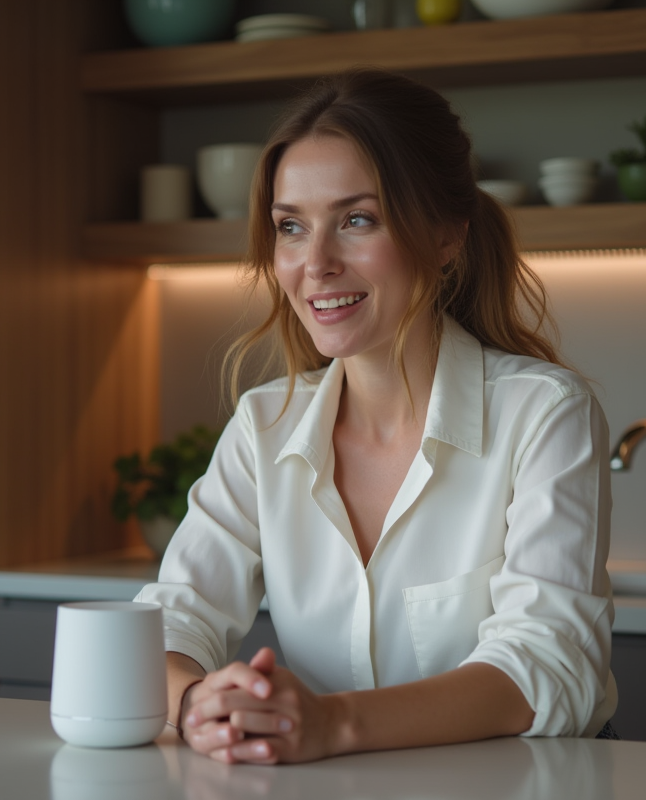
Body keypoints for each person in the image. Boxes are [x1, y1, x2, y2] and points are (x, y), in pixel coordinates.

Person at [135, 68, 615, 765]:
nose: (316, 263)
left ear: (447, 234)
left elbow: (545, 665)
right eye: (290, 227)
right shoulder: (264, 424)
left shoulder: (543, 413)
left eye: (357, 220)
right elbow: (170, 623)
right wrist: (196, 705)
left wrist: (334, 724)